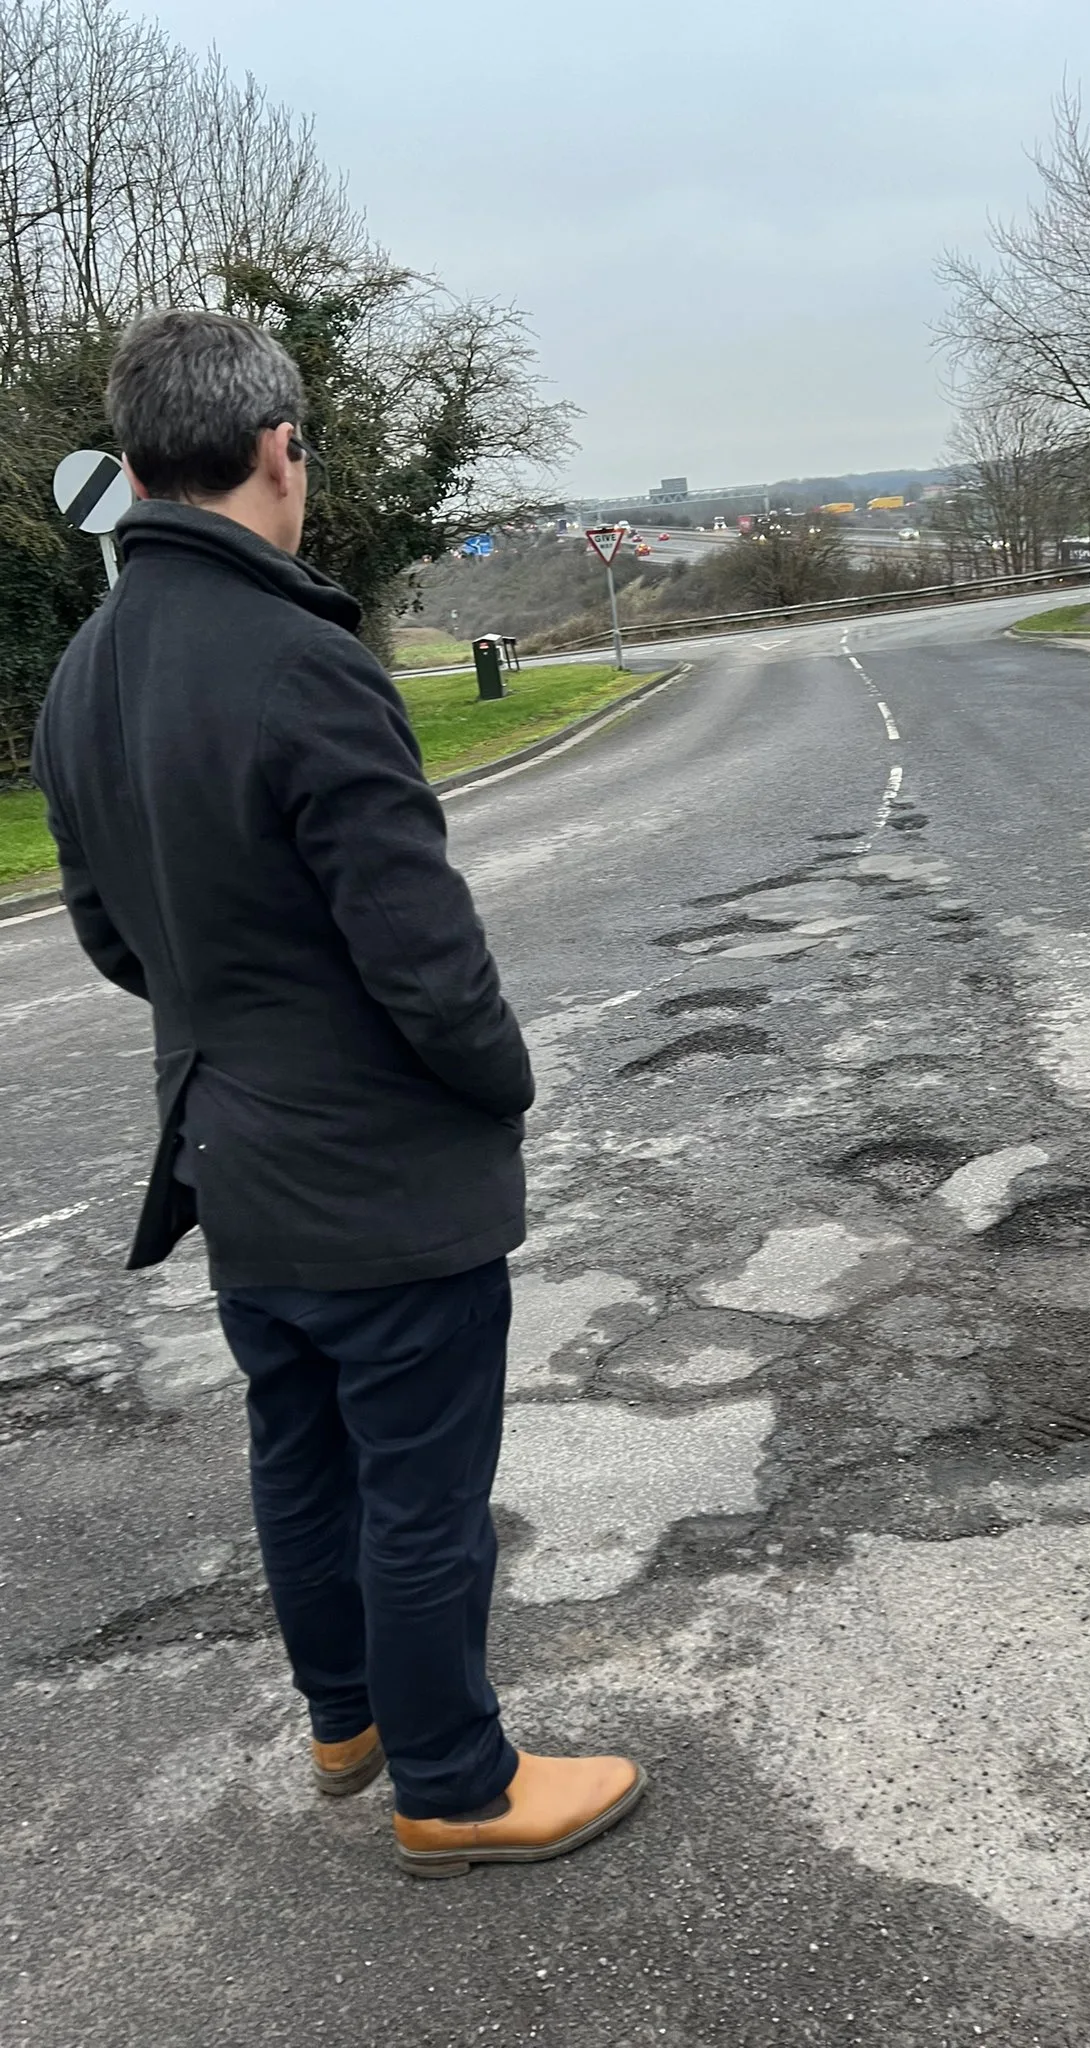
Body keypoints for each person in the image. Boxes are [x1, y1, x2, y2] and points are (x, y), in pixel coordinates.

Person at [30, 308, 644, 1879]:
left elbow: (113, 935)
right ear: (278, 451)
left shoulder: (84, 676)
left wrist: (235, 1026)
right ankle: (454, 1782)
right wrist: (498, 1083)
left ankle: (347, 1716)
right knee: (420, 1485)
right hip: (377, 1175)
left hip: (232, 1156)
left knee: (299, 1452)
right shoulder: (306, 663)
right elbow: (425, 960)